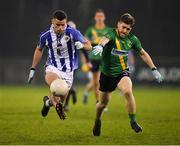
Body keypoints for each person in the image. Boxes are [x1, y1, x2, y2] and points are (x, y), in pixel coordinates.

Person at [92, 13, 163, 136]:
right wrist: (101, 46)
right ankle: (97, 121)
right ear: (118, 25)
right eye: (123, 27)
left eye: (128, 29)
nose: (125, 30)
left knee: (128, 91)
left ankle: (133, 122)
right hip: (107, 75)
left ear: (131, 30)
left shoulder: (132, 39)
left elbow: (143, 53)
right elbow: (105, 39)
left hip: (122, 72)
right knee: (102, 104)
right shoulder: (111, 33)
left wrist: (154, 69)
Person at [27, 10, 92, 120]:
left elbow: (89, 46)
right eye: (58, 25)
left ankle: (48, 103)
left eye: (63, 25)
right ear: (52, 22)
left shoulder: (73, 32)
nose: (61, 28)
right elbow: (39, 49)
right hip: (53, 67)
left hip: (68, 71)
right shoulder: (45, 36)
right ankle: (58, 106)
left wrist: (81, 45)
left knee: (61, 93)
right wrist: (33, 68)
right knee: (56, 87)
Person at [82, 9, 111, 104]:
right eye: (98, 16)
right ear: (95, 18)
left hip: (105, 59)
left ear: (104, 17)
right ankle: (98, 101)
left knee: (105, 81)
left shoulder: (109, 30)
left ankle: (104, 101)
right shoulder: (90, 30)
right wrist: (85, 61)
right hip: (94, 58)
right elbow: (85, 43)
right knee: (95, 82)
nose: (99, 18)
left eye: (101, 16)